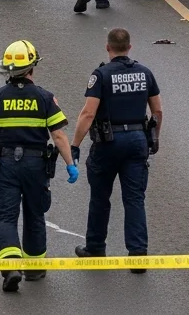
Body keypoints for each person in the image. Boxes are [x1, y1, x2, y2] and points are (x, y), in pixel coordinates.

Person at [0, 39, 78, 292]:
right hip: (36, 165)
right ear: (32, 67)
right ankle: (34, 268)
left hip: (7, 163)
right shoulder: (44, 97)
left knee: (6, 215)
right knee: (35, 214)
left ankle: (11, 266)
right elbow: (58, 136)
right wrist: (70, 164)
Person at [72, 28, 163, 270]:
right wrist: (154, 139)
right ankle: (138, 253)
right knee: (134, 198)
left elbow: (88, 113)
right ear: (130, 47)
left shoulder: (101, 75)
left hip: (108, 142)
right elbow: (157, 110)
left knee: (100, 197)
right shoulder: (145, 73)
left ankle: (95, 247)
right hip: (137, 140)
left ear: (108, 47)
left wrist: (75, 145)